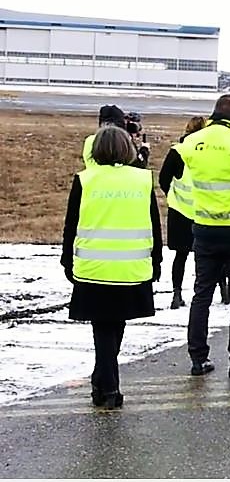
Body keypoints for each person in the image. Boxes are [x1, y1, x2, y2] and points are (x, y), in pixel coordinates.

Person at [158, 94, 230, 377]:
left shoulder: (191, 142)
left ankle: (198, 358)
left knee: (201, 295)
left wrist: (184, 205)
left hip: (205, 230)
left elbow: (165, 176)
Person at [60, 125, 163, 409]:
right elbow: (154, 225)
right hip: (131, 268)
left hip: (93, 268)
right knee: (114, 326)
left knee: (102, 328)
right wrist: (156, 261)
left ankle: (104, 382)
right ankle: (108, 386)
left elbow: (71, 225)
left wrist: (67, 260)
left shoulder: (85, 180)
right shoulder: (141, 180)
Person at [158, 115, 229, 309]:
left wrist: (173, 195)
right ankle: (223, 290)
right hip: (206, 211)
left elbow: (163, 179)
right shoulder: (210, 152)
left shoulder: (177, 151)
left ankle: (177, 294)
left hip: (179, 211)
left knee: (180, 256)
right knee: (215, 255)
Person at [82, 105, 148, 169]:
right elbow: (140, 165)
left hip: (93, 177)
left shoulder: (89, 140)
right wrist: (144, 150)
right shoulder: (122, 140)